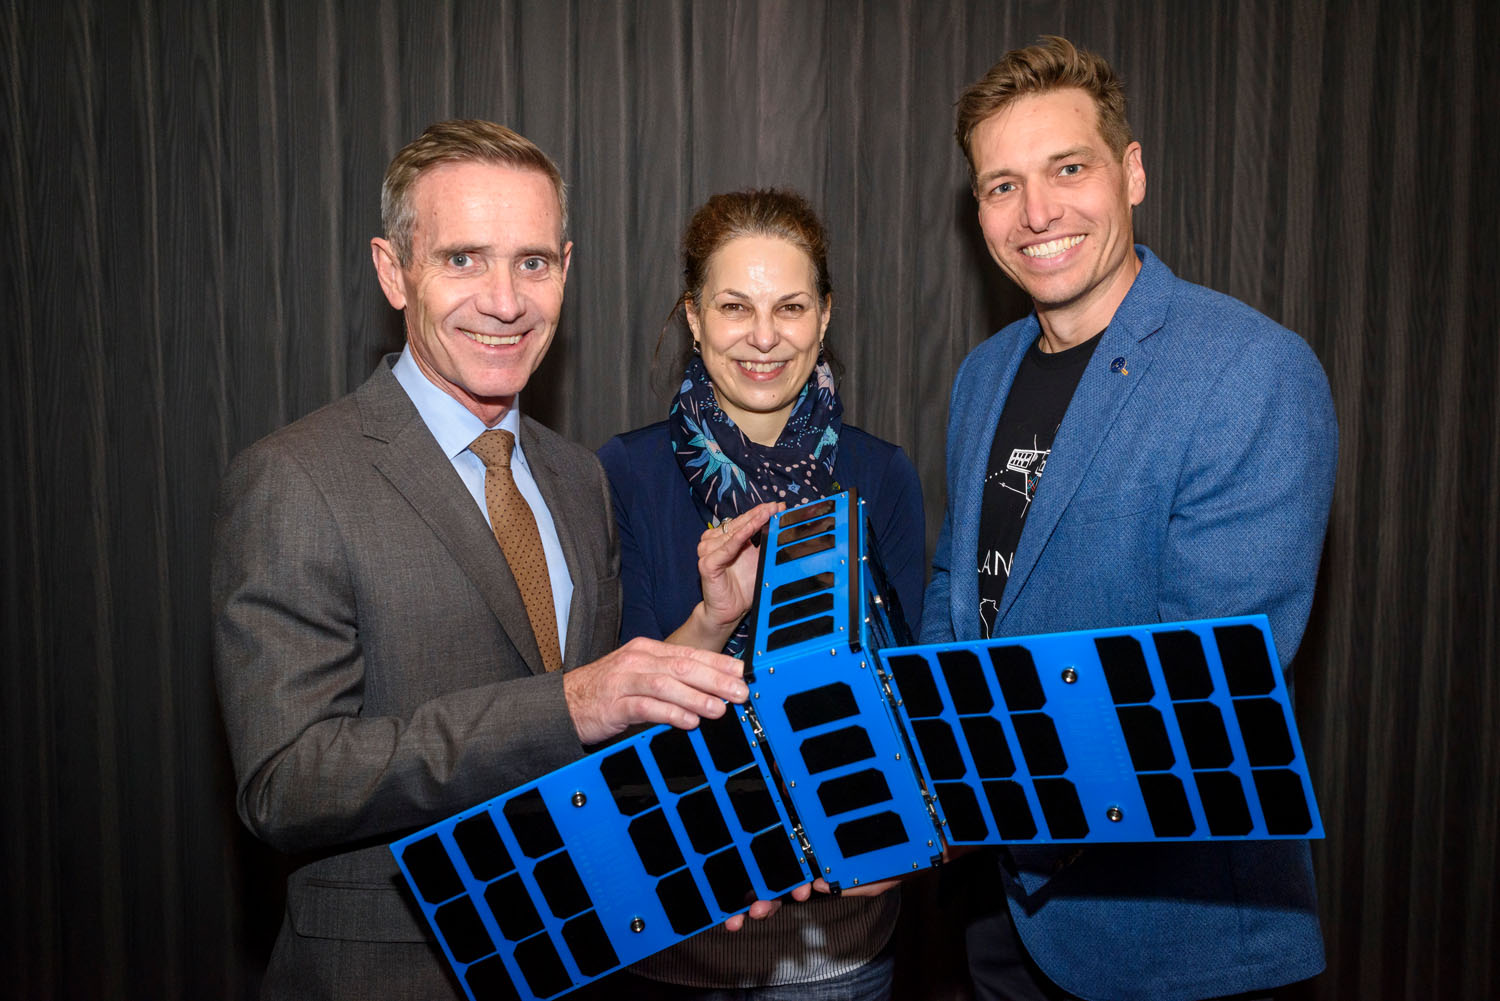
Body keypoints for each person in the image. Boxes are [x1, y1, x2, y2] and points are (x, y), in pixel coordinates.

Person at [211, 120, 754, 1000]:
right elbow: (287, 782)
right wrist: (570, 703)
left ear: (566, 270)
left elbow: (599, 722)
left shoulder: (579, 477)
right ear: (394, 271)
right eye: (463, 259)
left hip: (587, 957)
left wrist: (708, 625)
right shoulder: (294, 479)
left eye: (533, 262)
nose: (505, 301)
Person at [923, 37, 1337, 1001]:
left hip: (1171, 939)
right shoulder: (982, 376)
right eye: (1001, 186)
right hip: (1003, 913)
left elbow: (1206, 685)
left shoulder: (1250, 371)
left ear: (1133, 171)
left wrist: (967, 783)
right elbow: (958, 591)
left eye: (1069, 169)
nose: (1037, 213)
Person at [597, 188, 927, 1000]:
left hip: (837, 951)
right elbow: (614, 732)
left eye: (791, 306)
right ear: (695, 317)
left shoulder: (880, 473)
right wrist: (714, 617)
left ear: (824, 318)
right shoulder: (625, 473)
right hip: (670, 936)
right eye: (734, 306)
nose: (764, 335)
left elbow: (913, 711)